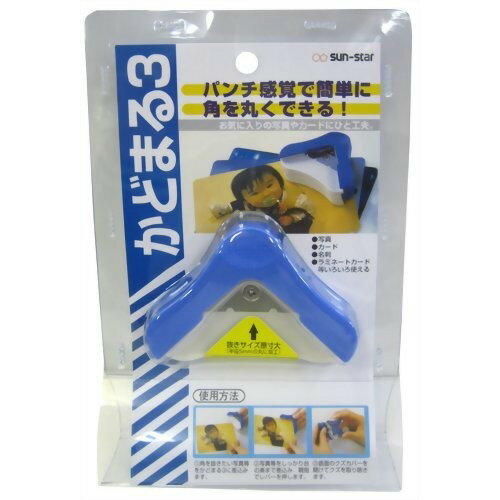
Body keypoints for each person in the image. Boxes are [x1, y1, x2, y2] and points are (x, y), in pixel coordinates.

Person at [210, 165, 314, 233]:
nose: (266, 194)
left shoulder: (291, 198)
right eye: (255, 193)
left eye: (269, 185)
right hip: (260, 217)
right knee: (241, 208)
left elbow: (303, 213)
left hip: (283, 221)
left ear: (279, 181)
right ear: (245, 199)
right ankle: (226, 208)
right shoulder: (248, 204)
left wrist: (291, 218)